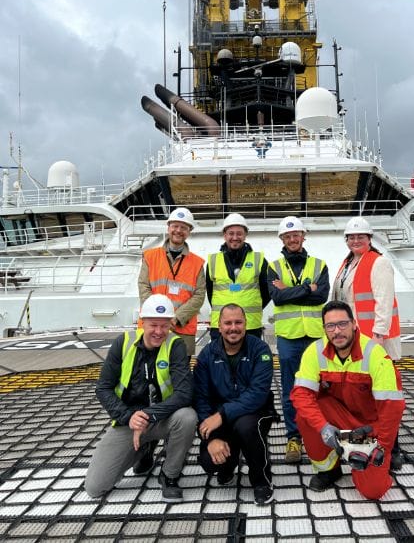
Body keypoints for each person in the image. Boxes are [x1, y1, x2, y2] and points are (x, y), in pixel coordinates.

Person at [84, 294, 197, 502]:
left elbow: (184, 393)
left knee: (188, 417)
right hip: (129, 420)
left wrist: (146, 416)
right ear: (142, 322)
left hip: (161, 418)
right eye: (153, 325)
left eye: (165, 326)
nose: (159, 332)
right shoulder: (123, 343)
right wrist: (128, 417)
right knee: (95, 487)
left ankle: (169, 474)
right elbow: (103, 388)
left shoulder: (175, 345)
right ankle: (144, 447)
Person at [291, 300, 405, 500]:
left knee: (373, 491)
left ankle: (361, 454)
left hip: (369, 428)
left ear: (354, 324)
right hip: (337, 417)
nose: (337, 331)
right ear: (324, 328)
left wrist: (383, 446)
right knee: (305, 415)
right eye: (330, 326)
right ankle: (329, 470)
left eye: (342, 324)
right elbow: (301, 394)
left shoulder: (375, 354)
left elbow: (392, 408)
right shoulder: (315, 351)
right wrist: (323, 426)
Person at [332, 216, 403, 468]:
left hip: (375, 342)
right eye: (351, 237)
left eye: (360, 237)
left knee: (384, 397)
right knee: (364, 397)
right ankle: (370, 441)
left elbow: (384, 302)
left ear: (369, 239)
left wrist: (378, 339)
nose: (355, 240)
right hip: (355, 341)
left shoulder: (378, 262)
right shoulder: (348, 263)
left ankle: (392, 448)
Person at [193, 303, 275, 506]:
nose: (233, 328)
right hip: (220, 418)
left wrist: (221, 414)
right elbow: (200, 398)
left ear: (246, 325)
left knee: (246, 427)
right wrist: (211, 438)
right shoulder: (207, 355)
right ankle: (228, 464)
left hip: (255, 412)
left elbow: (257, 394)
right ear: (219, 327)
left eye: (238, 322)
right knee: (210, 462)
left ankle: (261, 480)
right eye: (227, 323)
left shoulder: (260, 350)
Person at [267, 216, 329, 464]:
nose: (293, 239)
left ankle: (320, 430)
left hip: (315, 335)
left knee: (322, 386)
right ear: (282, 239)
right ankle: (294, 437)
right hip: (289, 337)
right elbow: (277, 298)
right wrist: (307, 289)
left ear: (304, 237)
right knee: (290, 390)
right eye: (288, 236)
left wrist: (290, 291)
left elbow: (321, 297)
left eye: (296, 235)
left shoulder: (319, 264)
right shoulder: (274, 266)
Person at [138, 207, 206, 358]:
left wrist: (176, 318)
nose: (178, 230)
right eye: (175, 226)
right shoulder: (150, 256)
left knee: (180, 374)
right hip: (152, 327)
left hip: (183, 328)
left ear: (189, 232)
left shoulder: (197, 263)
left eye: (184, 227)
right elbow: (144, 286)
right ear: (168, 228)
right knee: (147, 370)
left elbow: (199, 295)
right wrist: (158, 316)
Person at [206, 213, 270, 340]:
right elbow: (210, 293)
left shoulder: (259, 260)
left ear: (245, 235)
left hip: (250, 326)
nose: (235, 237)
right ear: (224, 235)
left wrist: (250, 306)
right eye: (231, 233)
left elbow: (267, 292)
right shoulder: (213, 261)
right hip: (221, 327)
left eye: (239, 233)